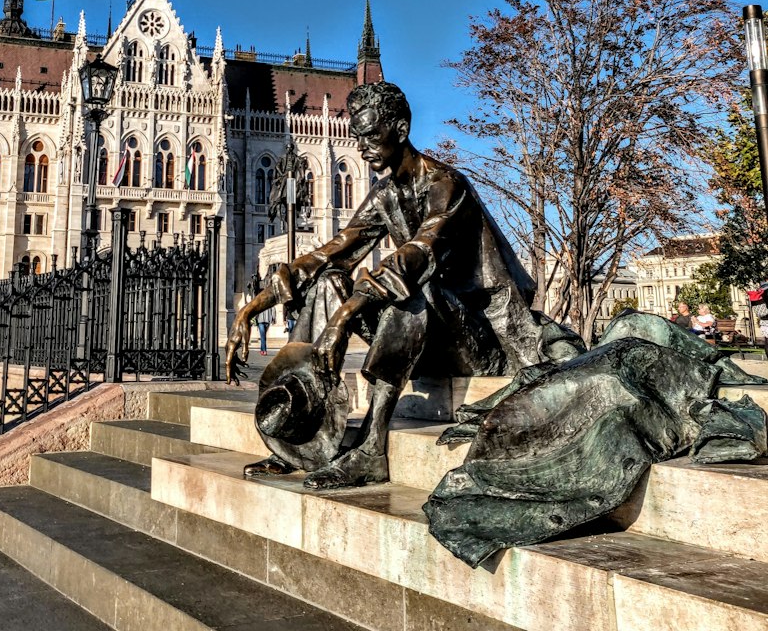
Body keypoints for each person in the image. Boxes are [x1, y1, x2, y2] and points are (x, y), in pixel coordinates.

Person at [226, 80, 559, 490]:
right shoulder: (386, 194)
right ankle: (303, 435)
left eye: (371, 135)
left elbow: (416, 256)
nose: (363, 147)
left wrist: (343, 320)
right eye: (357, 137)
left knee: (416, 290)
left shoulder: (445, 185)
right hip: (429, 339)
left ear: (400, 130)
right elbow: (333, 251)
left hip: (480, 338)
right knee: (331, 279)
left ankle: (370, 450)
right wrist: (252, 307)